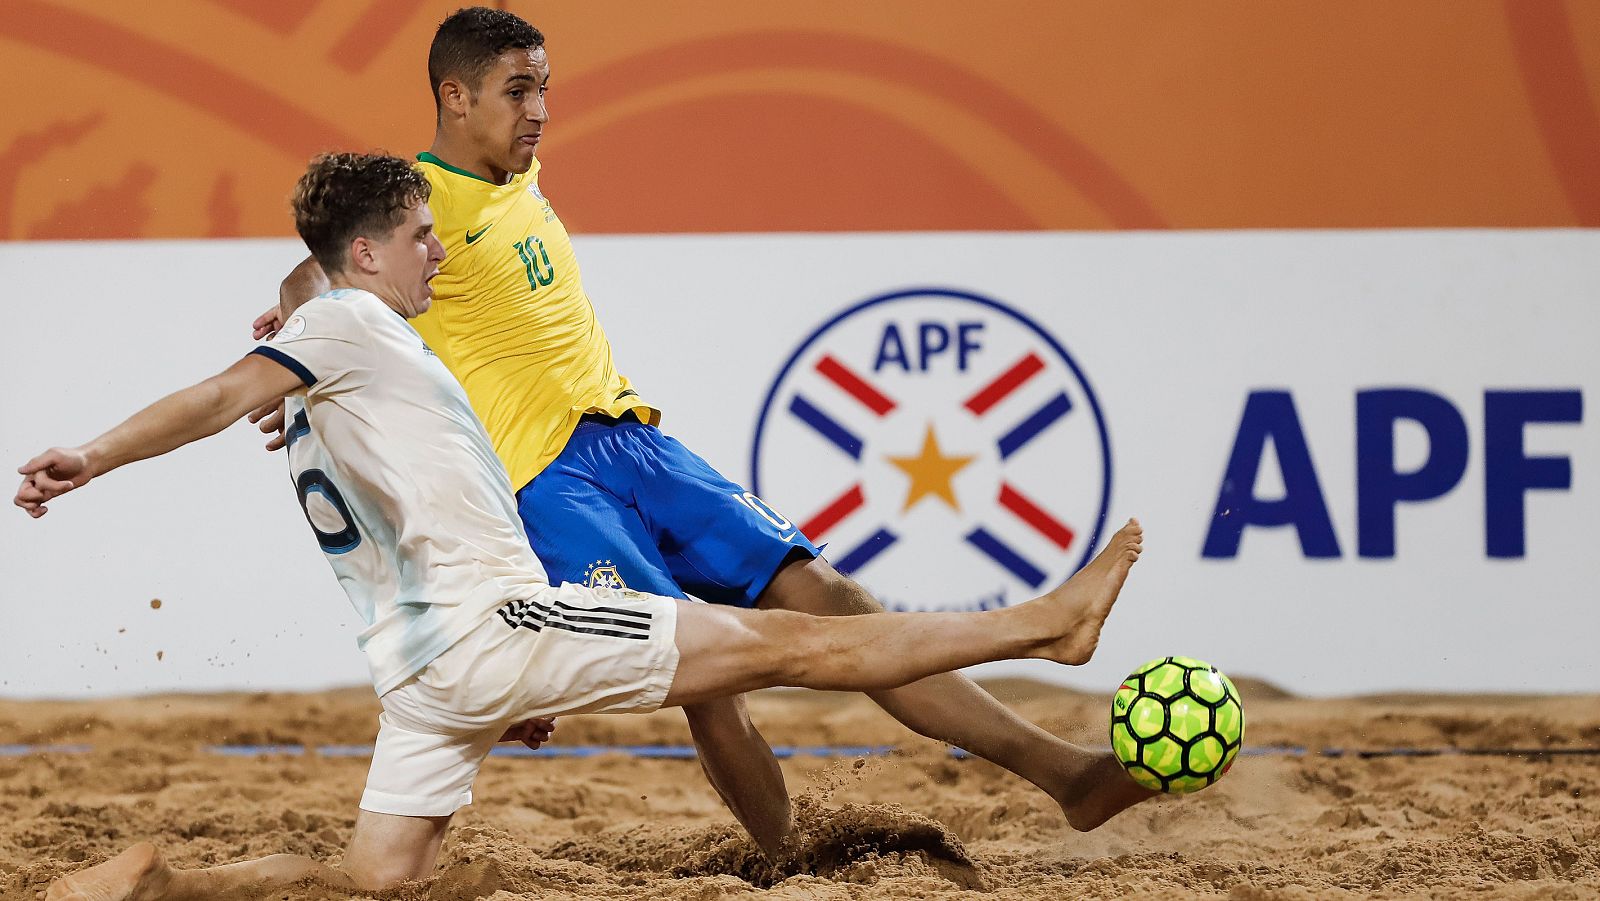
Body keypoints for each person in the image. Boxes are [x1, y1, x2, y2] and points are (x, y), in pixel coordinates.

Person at [19, 152, 1142, 901]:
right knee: (802, 642)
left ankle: (168, 889)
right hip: (495, 626)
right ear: (362, 259)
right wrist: (97, 454)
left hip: (423, 671)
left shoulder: (334, 379)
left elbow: (266, 390)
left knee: (374, 885)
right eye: (420, 237)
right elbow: (219, 393)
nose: (439, 254)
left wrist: (520, 678)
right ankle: (1044, 628)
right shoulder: (354, 326)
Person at [251, 8, 1154, 853]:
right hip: (543, 485)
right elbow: (311, 280)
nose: (541, 111)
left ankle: (1067, 775)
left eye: (545, 87)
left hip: (636, 443)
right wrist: (290, 360)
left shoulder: (517, 173)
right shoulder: (422, 206)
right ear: (456, 96)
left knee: (834, 600)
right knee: (712, 684)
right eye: (519, 91)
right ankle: (791, 855)